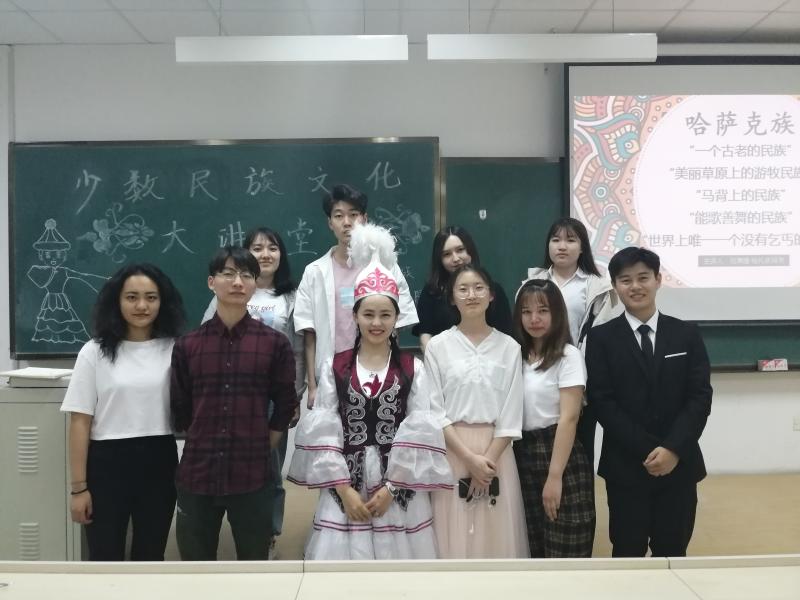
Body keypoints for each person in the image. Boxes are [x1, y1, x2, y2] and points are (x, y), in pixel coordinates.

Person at [288, 223, 451, 559]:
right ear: (355, 315)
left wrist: (392, 488)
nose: (377, 323)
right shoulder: (334, 367)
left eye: (385, 315)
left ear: (396, 318)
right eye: (369, 314)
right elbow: (325, 434)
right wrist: (344, 490)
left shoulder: (413, 369)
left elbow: (420, 433)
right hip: (345, 491)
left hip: (398, 491)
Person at [171, 246, 299, 561]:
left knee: (254, 566)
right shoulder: (188, 346)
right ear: (211, 282)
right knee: (195, 568)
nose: (238, 282)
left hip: (252, 474)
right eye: (228, 274)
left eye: (246, 275)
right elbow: (180, 408)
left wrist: (265, 444)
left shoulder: (275, 344)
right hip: (198, 473)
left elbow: (284, 404)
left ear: (255, 284)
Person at [585, 246, 712, 557]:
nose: (635, 286)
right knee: (627, 552)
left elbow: (699, 397)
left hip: (679, 464)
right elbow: (602, 401)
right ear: (614, 286)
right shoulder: (601, 338)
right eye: (625, 280)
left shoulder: (686, 334)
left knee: (673, 551)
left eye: (643, 278)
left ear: (658, 280)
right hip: (626, 466)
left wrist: (671, 449)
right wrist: (648, 450)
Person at [61, 263, 186, 561]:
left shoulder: (176, 349)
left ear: (162, 302)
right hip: (106, 463)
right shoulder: (94, 352)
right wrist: (78, 489)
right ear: (116, 301)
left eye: (151, 297)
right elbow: (80, 421)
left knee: (151, 555)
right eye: (131, 297)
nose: (142, 306)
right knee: (104, 556)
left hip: (159, 459)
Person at [201, 227, 305, 559]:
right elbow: (205, 339)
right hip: (231, 393)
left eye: (272, 248)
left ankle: (268, 534)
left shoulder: (291, 297)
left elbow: (298, 351)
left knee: (270, 469)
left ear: (281, 255)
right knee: (226, 461)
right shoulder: (228, 290)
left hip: (273, 397)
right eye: (257, 248)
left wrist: (294, 396)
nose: (265, 254)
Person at [426, 264, 529, 559]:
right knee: (454, 533)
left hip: (496, 453)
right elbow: (434, 410)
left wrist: (486, 462)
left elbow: (511, 413)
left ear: (491, 295)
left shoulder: (509, 347)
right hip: (453, 450)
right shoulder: (438, 347)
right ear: (452, 298)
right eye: (463, 289)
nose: (471, 295)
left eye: (478, 288)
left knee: (496, 534)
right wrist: (470, 460)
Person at [295, 184, 418, 408]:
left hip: (378, 373)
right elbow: (309, 335)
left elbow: (397, 325)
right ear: (330, 222)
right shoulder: (314, 272)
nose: (347, 222)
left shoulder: (387, 266)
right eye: (338, 216)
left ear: (365, 218)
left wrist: (396, 374)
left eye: (353, 214)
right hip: (331, 375)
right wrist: (312, 386)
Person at [524, 217, 618, 466]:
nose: (562, 246)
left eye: (570, 240)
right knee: (537, 456)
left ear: (583, 246)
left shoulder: (596, 287)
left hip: (579, 379)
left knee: (579, 455)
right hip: (539, 378)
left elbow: (601, 337)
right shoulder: (531, 284)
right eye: (556, 240)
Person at [512, 279, 595, 558]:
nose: (534, 319)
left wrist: (555, 477)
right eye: (526, 312)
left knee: (565, 550)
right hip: (522, 454)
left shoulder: (568, 356)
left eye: (543, 310)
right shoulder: (515, 355)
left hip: (560, 454)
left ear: (557, 313)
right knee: (532, 551)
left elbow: (569, 418)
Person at [414, 225, 512, 351]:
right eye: (447, 254)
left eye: (460, 250)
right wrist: (436, 359)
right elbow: (425, 336)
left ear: (470, 250)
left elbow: (505, 334)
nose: (455, 258)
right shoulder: (432, 292)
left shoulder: (493, 290)